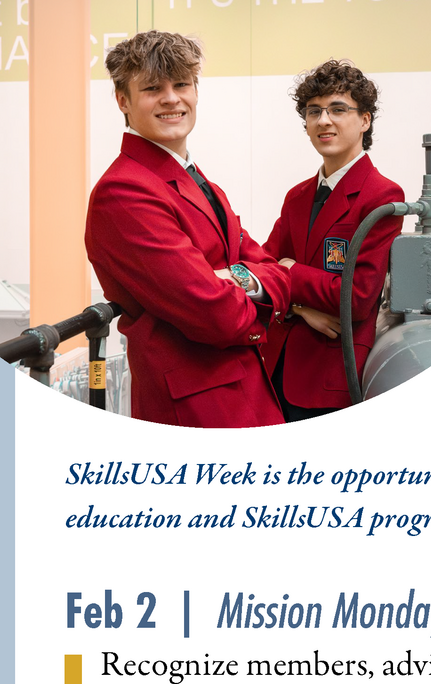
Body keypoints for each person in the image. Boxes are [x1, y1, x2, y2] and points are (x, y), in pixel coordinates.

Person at [85, 31, 291, 428]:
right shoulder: (124, 192)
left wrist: (234, 277)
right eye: (152, 88)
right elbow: (217, 315)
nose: (171, 98)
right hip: (198, 409)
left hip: (239, 391)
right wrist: (257, 285)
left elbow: (271, 267)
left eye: (181, 84)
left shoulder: (198, 181)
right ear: (122, 100)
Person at [262, 60, 404, 420]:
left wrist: (289, 271)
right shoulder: (297, 196)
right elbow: (263, 268)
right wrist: (300, 308)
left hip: (332, 379)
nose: (323, 120)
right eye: (314, 111)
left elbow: (355, 298)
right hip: (275, 371)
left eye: (338, 109)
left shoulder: (381, 196)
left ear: (365, 120)